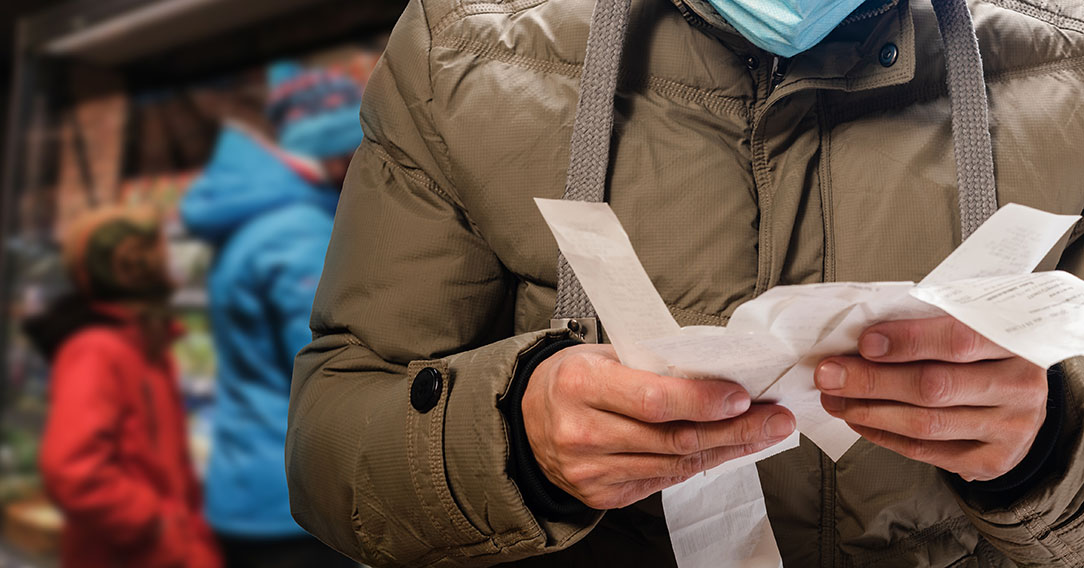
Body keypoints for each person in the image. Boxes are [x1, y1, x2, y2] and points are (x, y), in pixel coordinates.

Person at [286, 0, 1084, 565]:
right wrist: (516, 444)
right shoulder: (459, 56)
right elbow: (329, 452)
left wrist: (1045, 448)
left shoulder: (1067, 77)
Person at [180, 64, 363, 568]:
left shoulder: (256, 216)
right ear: (343, 154)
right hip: (293, 506)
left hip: (247, 482)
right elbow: (326, 375)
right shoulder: (299, 234)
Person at [30, 206, 221, 568]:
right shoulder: (97, 350)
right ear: (136, 267)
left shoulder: (144, 343)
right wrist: (155, 524)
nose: (172, 264)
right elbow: (73, 471)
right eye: (160, 251)